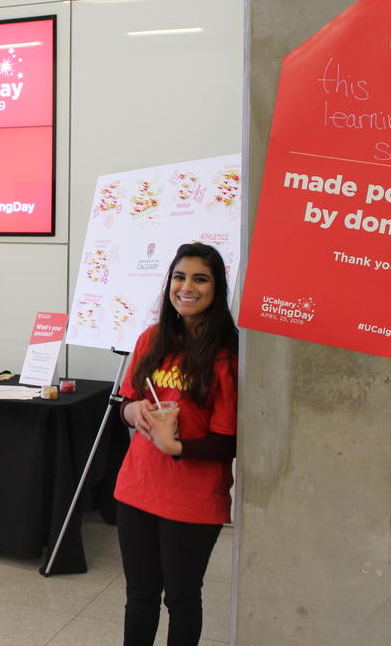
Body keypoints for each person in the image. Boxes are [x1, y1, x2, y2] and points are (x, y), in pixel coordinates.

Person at [114, 242, 238, 646]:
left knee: (182, 599)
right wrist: (131, 413)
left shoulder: (227, 355)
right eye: (180, 277)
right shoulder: (152, 338)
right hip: (137, 488)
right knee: (140, 597)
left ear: (217, 289)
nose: (187, 287)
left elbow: (228, 442)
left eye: (200, 279)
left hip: (192, 498)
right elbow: (129, 400)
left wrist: (177, 448)